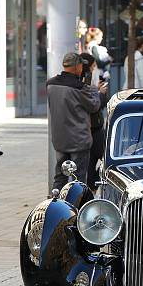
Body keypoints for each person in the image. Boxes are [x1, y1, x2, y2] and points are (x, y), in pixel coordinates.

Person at [47, 53, 103, 190]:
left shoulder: (50, 84)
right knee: (78, 178)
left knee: (60, 175)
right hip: (79, 139)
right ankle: (76, 206)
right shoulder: (80, 88)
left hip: (60, 139)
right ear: (78, 66)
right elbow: (94, 106)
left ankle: (57, 204)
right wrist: (96, 91)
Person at [79, 53, 108, 187]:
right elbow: (94, 105)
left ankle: (92, 184)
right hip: (93, 128)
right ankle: (92, 185)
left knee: (94, 159)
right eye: (94, 65)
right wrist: (100, 94)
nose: (95, 68)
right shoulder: (84, 82)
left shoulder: (85, 82)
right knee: (96, 159)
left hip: (93, 127)